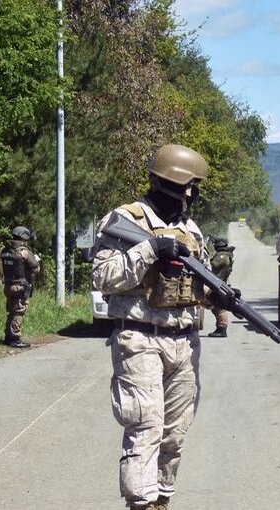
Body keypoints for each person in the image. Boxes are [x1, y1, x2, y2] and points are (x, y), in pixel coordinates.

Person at [93, 143, 235, 510]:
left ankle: (161, 501)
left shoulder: (192, 231)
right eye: (192, 186)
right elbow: (102, 276)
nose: (193, 194)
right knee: (145, 427)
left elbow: (195, 289)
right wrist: (150, 250)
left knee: (174, 433)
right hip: (139, 339)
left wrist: (219, 296)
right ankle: (140, 504)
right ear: (176, 184)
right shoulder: (125, 220)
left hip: (184, 344)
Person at [1, 226, 41, 348]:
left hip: (8, 285)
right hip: (20, 286)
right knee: (18, 312)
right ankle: (15, 339)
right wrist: (37, 260)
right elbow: (36, 268)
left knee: (12, 312)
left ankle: (8, 337)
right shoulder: (24, 252)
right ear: (24, 237)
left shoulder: (5, 250)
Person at [207, 238, 235, 338]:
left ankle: (222, 329)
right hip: (220, 283)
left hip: (220, 283)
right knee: (216, 307)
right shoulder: (226, 255)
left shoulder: (222, 256)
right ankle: (220, 327)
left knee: (219, 308)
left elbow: (213, 264)